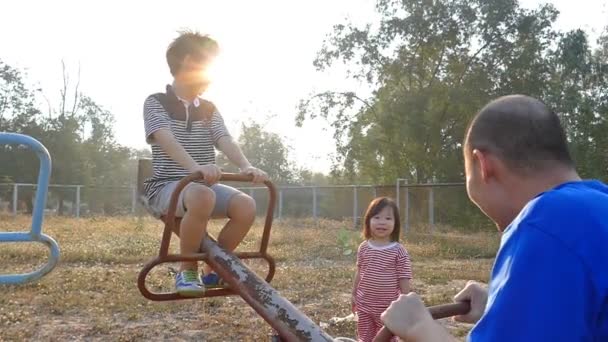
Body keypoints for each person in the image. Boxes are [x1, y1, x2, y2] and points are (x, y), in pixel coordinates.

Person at [380, 94, 608, 341]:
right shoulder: (595, 210)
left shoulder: (548, 221)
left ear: (483, 165)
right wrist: (504, 302)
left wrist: (419, 329)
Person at [142, 30, 268, 296]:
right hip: (167, 186)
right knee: (201, 194)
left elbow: (224, 138)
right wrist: (194, 168)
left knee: (246, 205)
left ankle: (214, 268)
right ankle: (187, 269)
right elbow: (165, 139)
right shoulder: (156, 103)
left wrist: (246, 165)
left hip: (201, 186)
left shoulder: (208, 108)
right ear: (188, 63)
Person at [352, 197, 412, 341]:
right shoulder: (364, 247)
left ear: (395, 223)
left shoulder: (398, 251)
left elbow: (404, 278)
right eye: (377, 217)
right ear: (368, 221)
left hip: (388, 307)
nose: (382, 222)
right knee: (365, 336)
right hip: (364, 304)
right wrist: (353, 293)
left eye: (388, 218)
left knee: (387, 338)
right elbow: (360, 271)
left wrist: (406, 302)